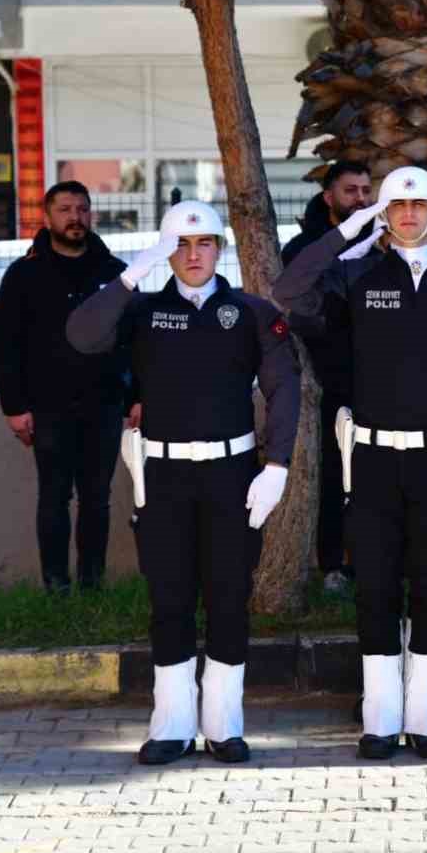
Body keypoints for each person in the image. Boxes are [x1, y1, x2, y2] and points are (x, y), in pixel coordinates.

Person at [275, 165, 427, 761]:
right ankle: (379, 717)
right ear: (381, 213)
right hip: (372, 459)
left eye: (418, 204)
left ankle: (426, 718)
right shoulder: (353, 275)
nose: (406, 214)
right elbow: (290, 290)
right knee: (373, 588)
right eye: (394, 205)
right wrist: (346, 231)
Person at [68, 199, 298, 766]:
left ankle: (223, 724)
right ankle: (170, 724)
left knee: (227, 599)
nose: (193, 256)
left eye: (204, 244)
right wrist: (133, 271)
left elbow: (284, 388)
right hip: (164, 475)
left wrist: (278, 466)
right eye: (181, 245)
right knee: (169, 599)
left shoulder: (248, 311)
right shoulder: (142, 310)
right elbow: (81, 334)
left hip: (232, 474)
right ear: (167, 250)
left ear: (220, 249)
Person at [0, 180, 128, 593]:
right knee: (54, 498)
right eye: (66, 209)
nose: (75, 217)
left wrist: (136, 398)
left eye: (83, 209)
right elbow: (6, 345)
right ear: (48, 217)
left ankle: (92, 585)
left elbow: (134, 341)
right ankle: (56, 587)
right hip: (48, 407)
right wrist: (14, 407)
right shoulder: (24, 274)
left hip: (104, 405)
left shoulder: (115, 273)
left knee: (97, 500)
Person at [281, 160, 375, 595]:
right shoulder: (304, 248)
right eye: (350, 190)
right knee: (333, 476)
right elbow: (296, 311)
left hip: (377, 382)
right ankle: (332, 565)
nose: (360, 198)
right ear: (329, 197)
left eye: (365, 190)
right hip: (325, 383)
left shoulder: (381, 248)